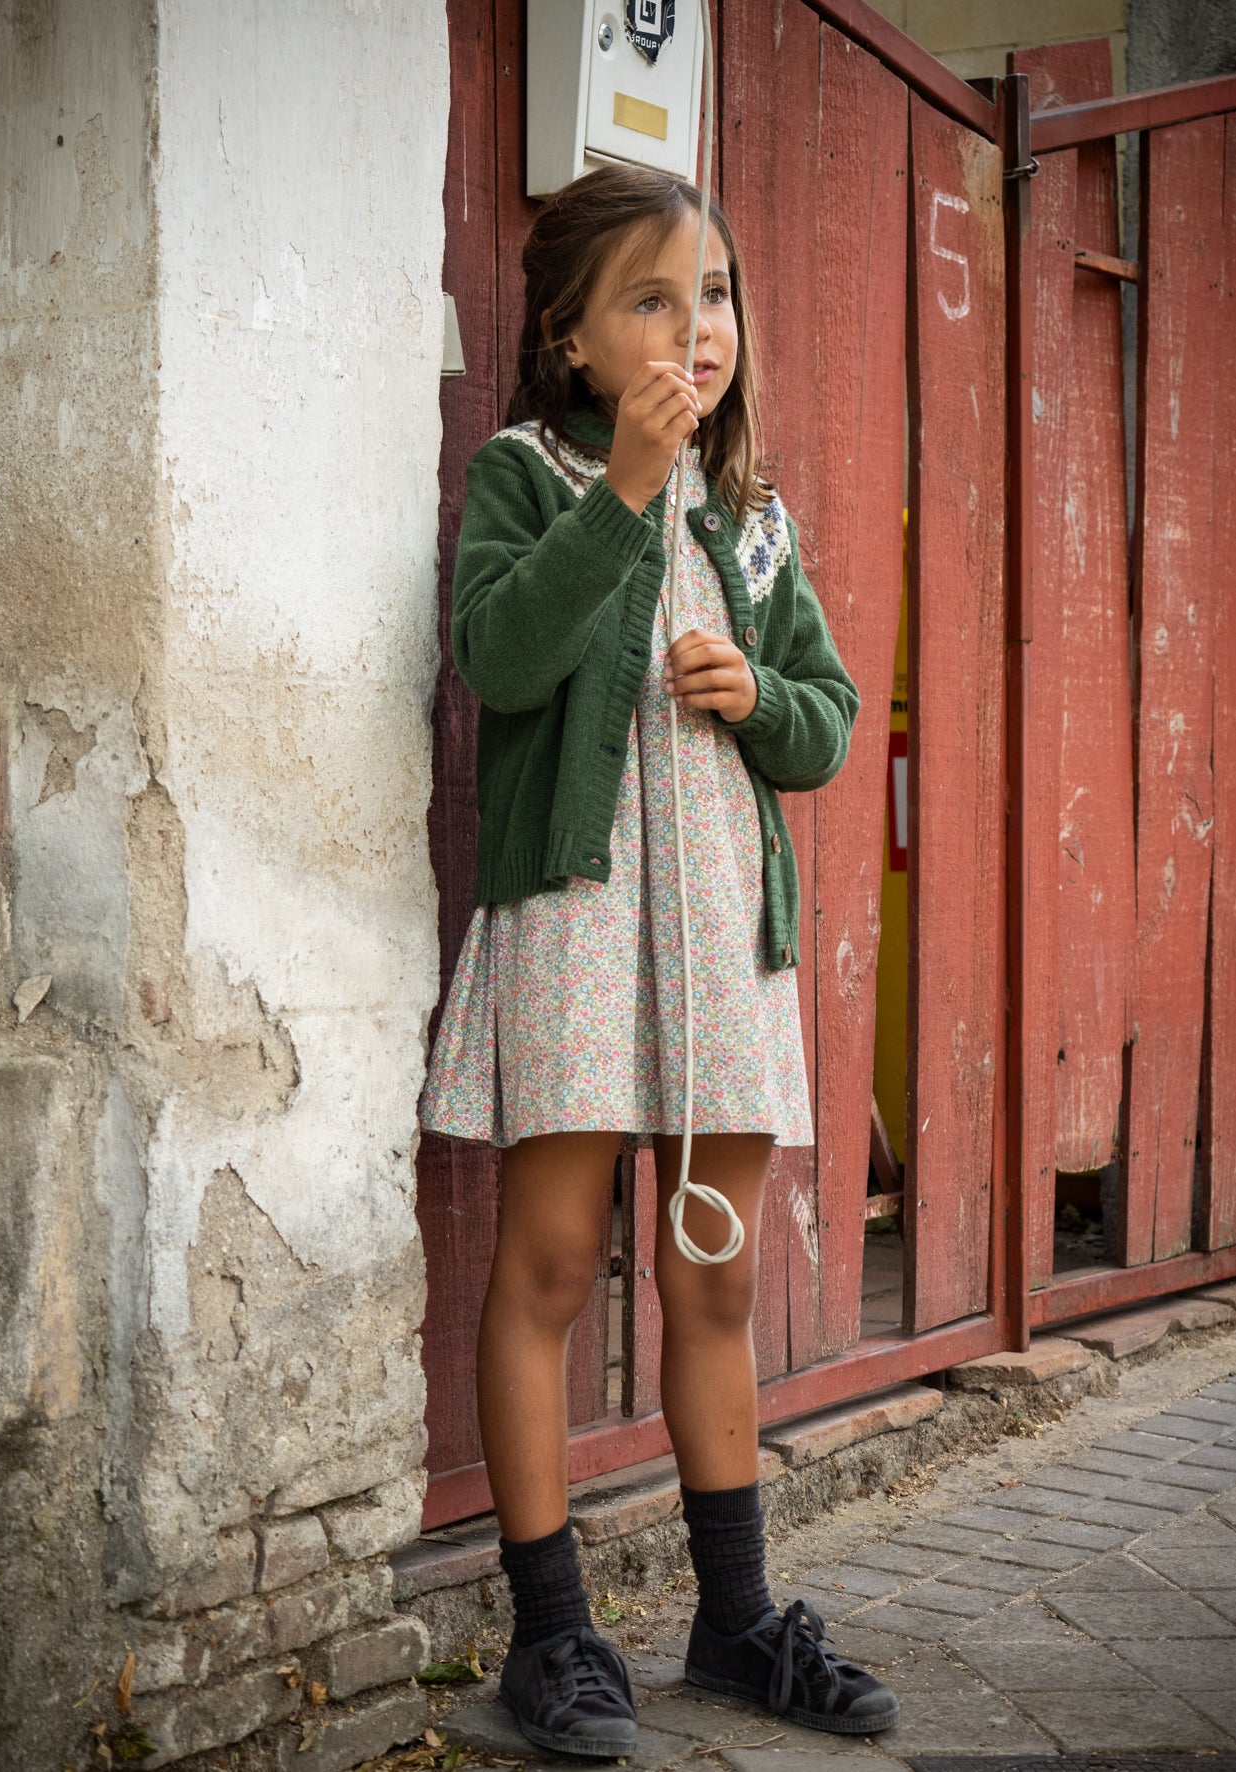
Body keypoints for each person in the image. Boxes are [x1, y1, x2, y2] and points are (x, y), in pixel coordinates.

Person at [420, 163, 899, 1756]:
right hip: (574, 926)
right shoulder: (527, 474)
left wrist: (755, 699)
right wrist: (623, 491)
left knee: (715, 1275)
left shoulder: (749, 519)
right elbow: (501, 657)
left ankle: (736, 1621)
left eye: (713, 294)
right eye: (650, 297)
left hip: (715, 942)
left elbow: (825, 721)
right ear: (569, 337)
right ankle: (552, 1634)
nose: (695, 326)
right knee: (551, 1267)